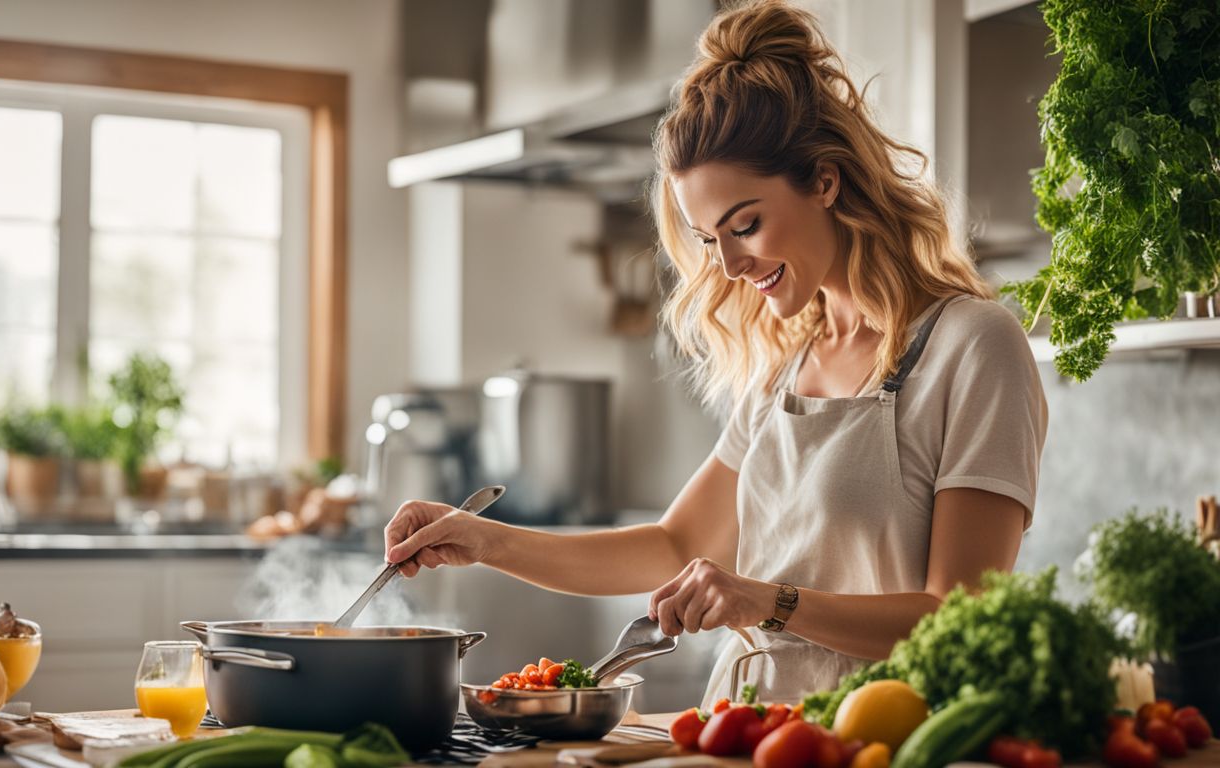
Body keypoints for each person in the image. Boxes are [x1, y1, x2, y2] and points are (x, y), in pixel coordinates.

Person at [383, 0, 1047, 705]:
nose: (729, 265)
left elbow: (962, 615)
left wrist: (769, 602)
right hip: (743, 732)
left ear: (825, 180)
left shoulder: (972, 346)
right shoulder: (786, 369)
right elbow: (675, 546)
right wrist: (485, 541)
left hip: (884, 742)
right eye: (710, 239)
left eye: (746, 224)